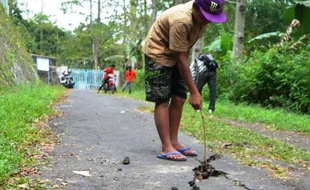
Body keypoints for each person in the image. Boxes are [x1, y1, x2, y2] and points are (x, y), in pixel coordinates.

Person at [143, 0, 226, 161]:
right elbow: (181, 58)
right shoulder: (181, 20)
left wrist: (189, 89)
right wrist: (195, 92)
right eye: (205, 16)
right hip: (158, 54)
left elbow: (184, 51)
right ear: (195, 8)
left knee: (180, 97)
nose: (208, 20)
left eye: (211, 17)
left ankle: (174, 142)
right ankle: (166, 145)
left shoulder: (203, 18)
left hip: (177, 55)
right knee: (162, 99)